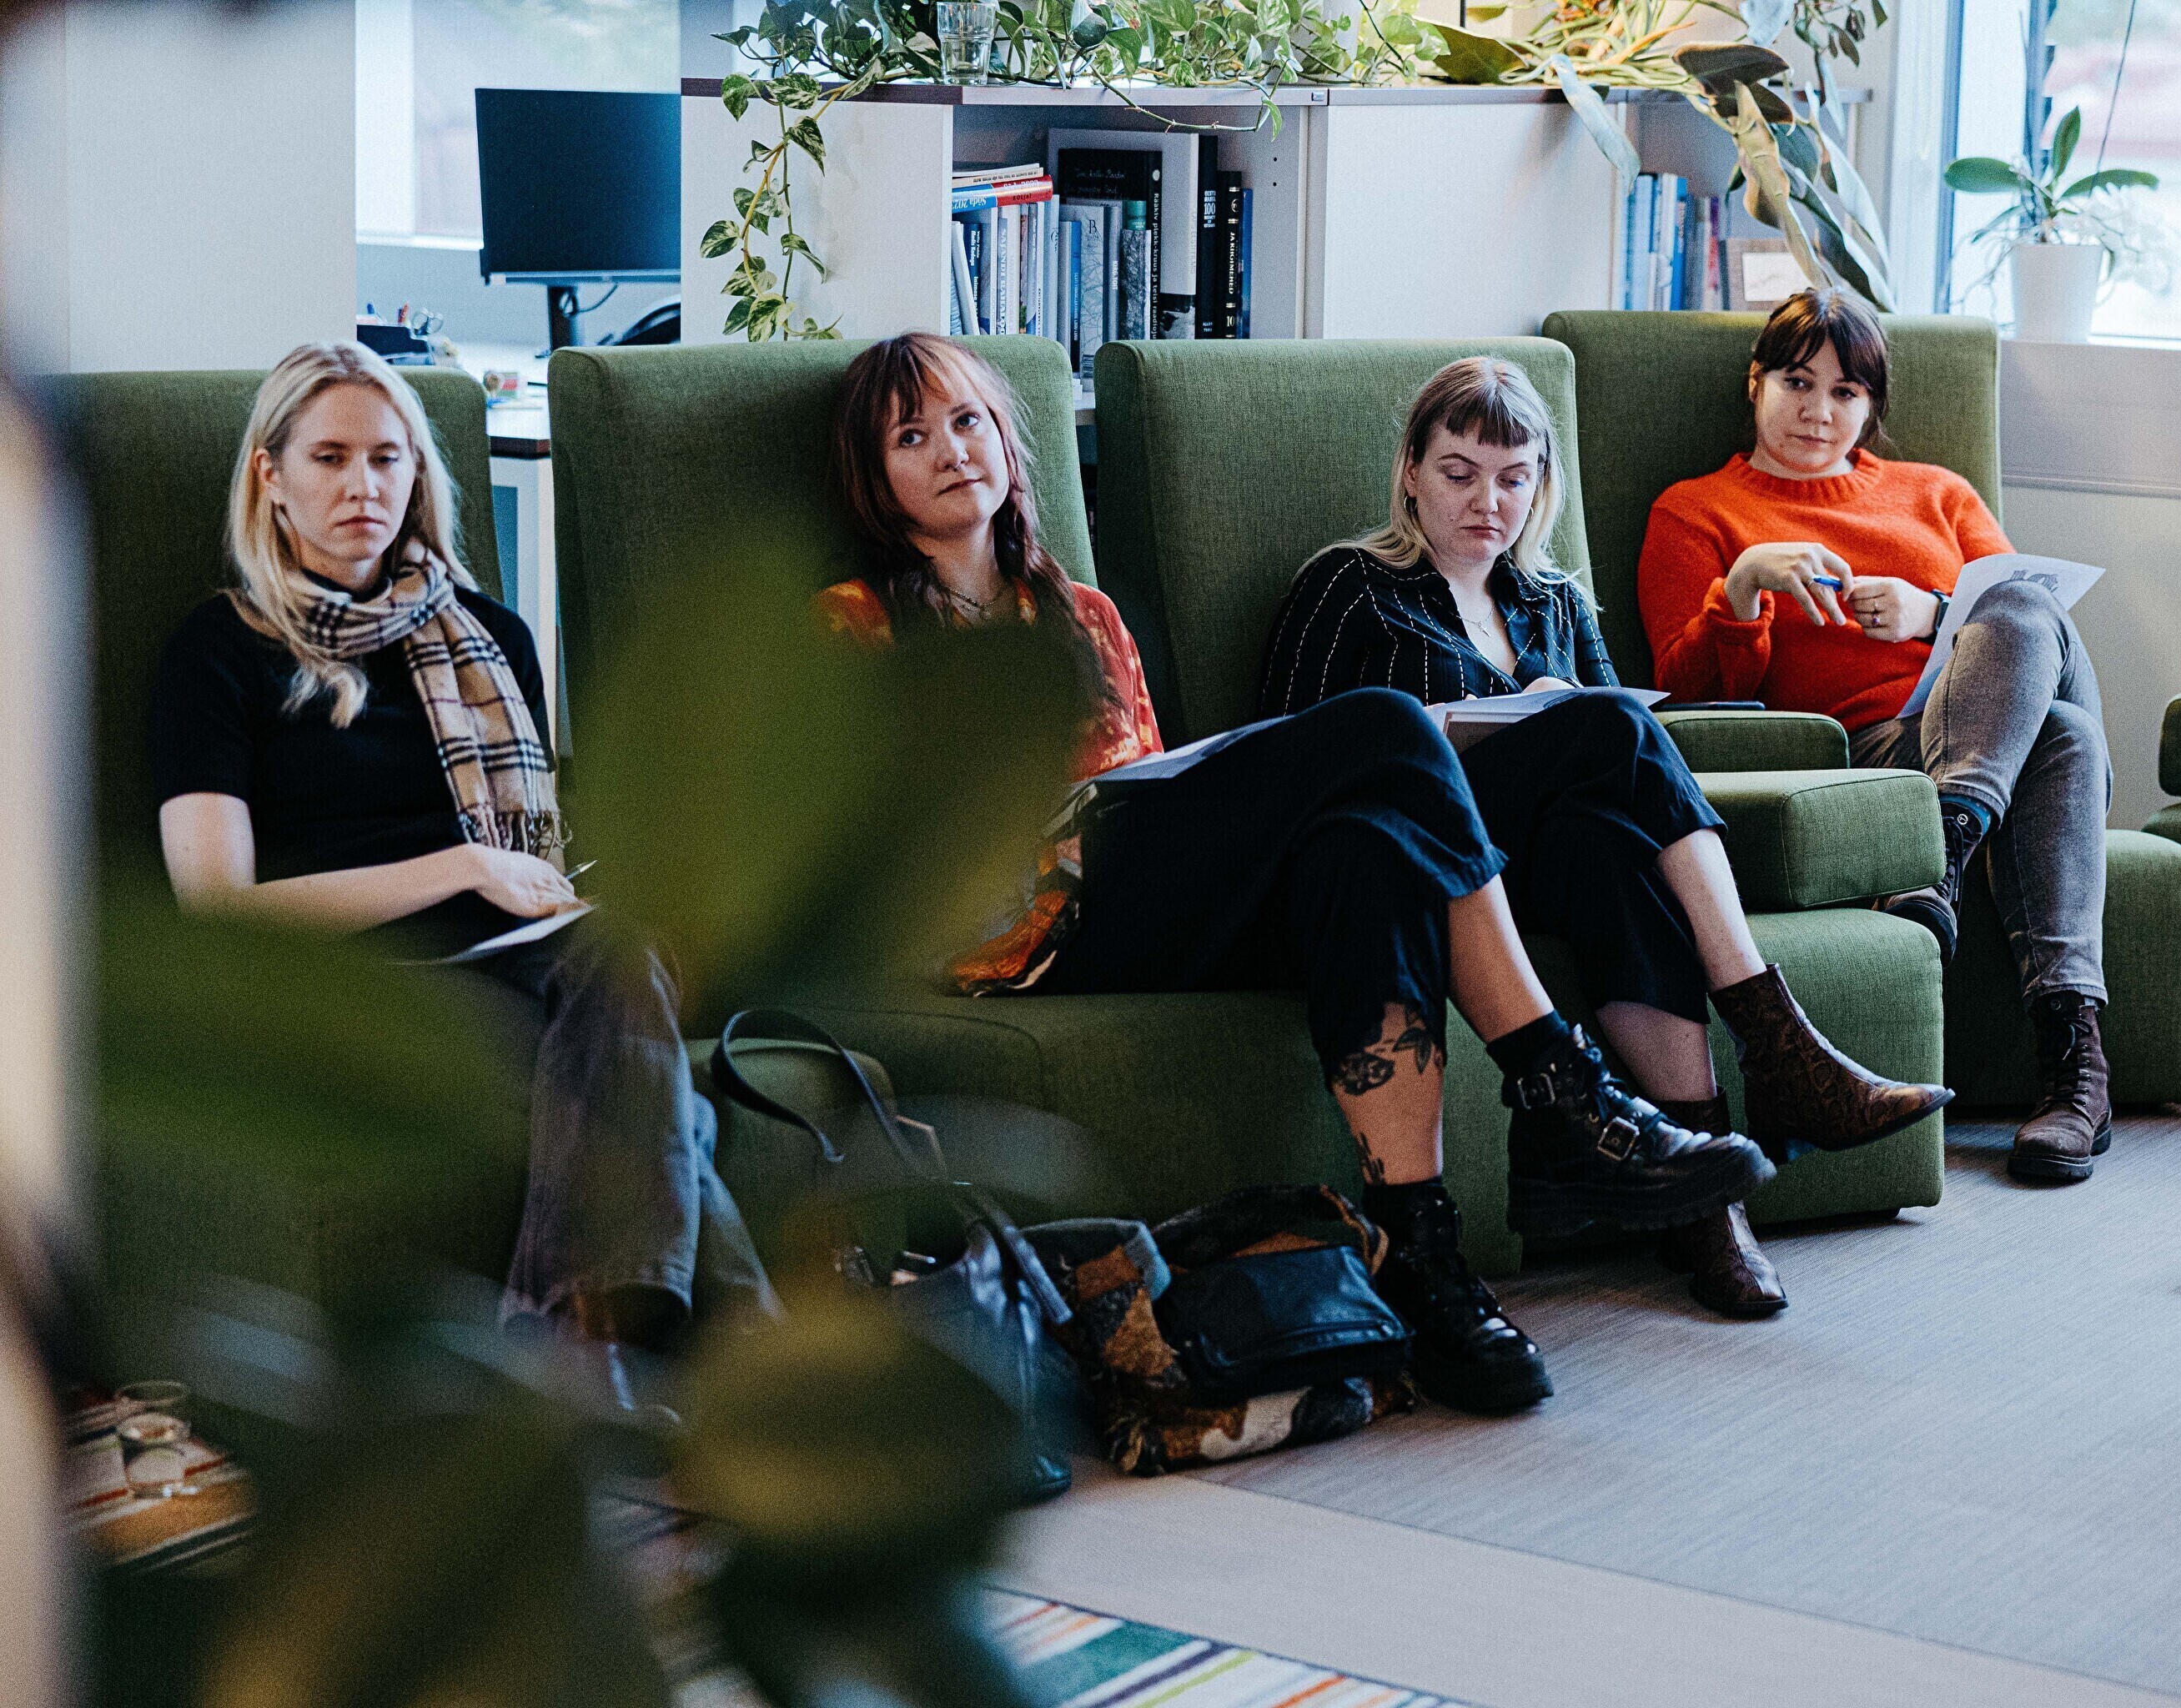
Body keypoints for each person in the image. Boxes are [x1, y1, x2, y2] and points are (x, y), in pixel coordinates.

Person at [818, 334, 1771, 1411]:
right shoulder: (853, 627)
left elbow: (1144, 786)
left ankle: (1420, 1258)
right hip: (1014, 935)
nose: (952, 450)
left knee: (1367, 850)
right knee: (1387, 725)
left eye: (968, 422)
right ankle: (1560, 1088)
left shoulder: (1086, 616)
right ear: (874, 476)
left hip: (1141, 898)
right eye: (912, 437)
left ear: (1004, 440)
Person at [1261, 356, 1952, 1319]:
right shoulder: (1349, 588)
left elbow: (1620, 765)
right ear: (1411, 470)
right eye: (1459, 473)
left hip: (1544, 864)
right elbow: (1284, 765)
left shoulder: (1555, 600)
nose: (1488, 502)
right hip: (1417, 863)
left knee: (1609, 848)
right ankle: (1775, 1039)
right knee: (1609, 726)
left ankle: (1704, 1195)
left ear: (1541, 485)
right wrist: (1452, 732)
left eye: (1514, 479)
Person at [148, 341, 776, 1392]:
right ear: (271, 475)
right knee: (651, 1081)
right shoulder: (218, 651)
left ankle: (584, 1363)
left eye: (387, 457)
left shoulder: (490, 637)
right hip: (346, 981)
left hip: (518, 964)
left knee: (622, 972)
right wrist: (458, 865)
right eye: (330, 457)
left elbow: (541, 868)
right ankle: (740, 1367)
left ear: (416, 474)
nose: (363, 484)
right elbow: (217, 908)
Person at [1635, 289, 2113, 1186]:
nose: (1819, 411)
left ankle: (1942, 855)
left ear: (1871, 407)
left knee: (2020, 606)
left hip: (1971, 731)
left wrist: (1933, 612)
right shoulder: (1695, 511)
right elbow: (1686, 701)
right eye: (1797, 382)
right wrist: (1742, 588)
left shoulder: (1938, 493)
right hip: (1868, 756)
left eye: (1846, 392)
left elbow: (2029, 622)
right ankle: (2076, 1071)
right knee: (2068, 739)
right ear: (1755, 382)